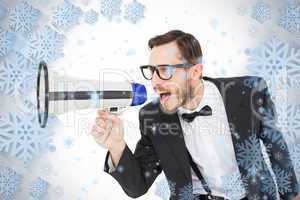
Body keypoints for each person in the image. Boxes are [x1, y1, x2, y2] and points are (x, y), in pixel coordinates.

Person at [90, 30, 299, 200]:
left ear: (195, 72)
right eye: (151, 71)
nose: (154, 82)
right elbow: (137, 187)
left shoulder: (248, 90)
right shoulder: (152, 116)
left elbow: (277, 150)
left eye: (164, 70)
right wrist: (116, 146)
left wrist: (293, 196)